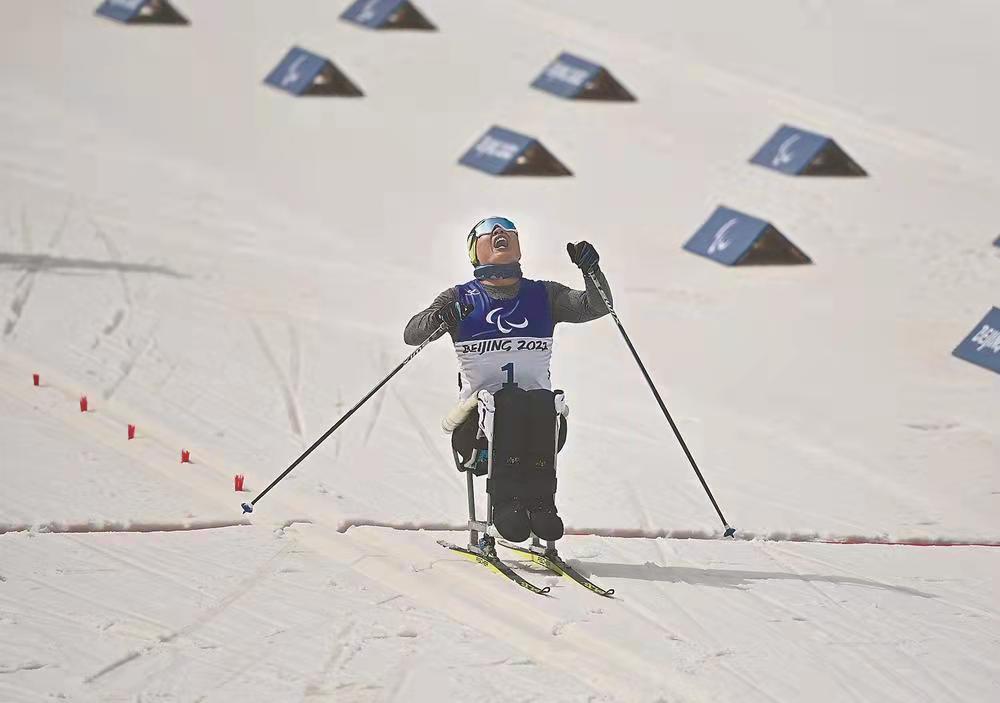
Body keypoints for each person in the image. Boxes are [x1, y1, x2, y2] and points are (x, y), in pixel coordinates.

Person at [403, 216, 612, 542]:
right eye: (490, 230)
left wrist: (591, 272)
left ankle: (541, 505)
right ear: (476, 251)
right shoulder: (461, 298)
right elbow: (412, 334)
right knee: (510, 400)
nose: (500, 231)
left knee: (543, 400)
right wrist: (441, 317)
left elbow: (596, 307)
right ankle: (506, 505)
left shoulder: (544, 295)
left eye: (506, 228)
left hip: (541, 424)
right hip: (476, 433)